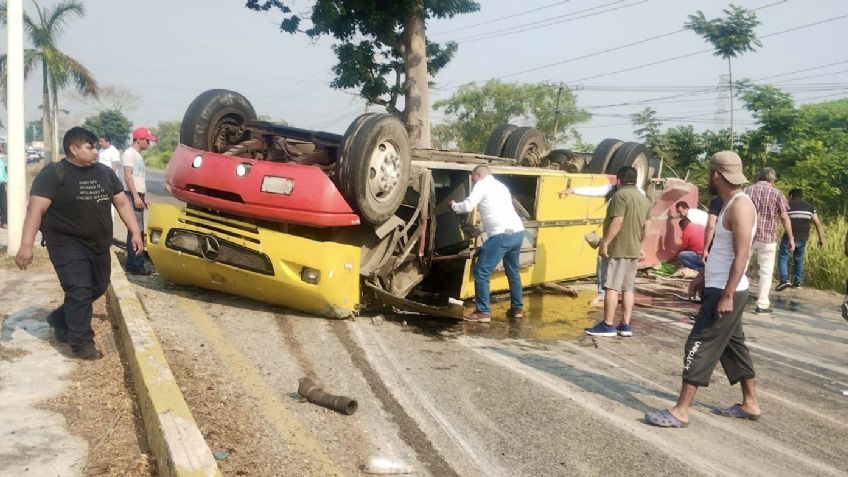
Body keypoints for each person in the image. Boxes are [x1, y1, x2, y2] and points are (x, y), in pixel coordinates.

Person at [645, 150, 759, 428]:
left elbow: (742, 255)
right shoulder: (729, 203)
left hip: (725, 291)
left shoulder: (740, 206)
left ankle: (681, 411)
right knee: (734, 347)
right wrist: (702, 275)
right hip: (718, 284)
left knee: (699, 343)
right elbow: (721, 251)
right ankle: (750, 403)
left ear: (716, 175)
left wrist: (727, 294)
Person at [15, 127, 143, 360]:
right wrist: (26, 245)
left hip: (98, 244)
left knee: (97, 287)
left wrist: (136, 232)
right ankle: (81, 342)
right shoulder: (54, 174)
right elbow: (36, 209)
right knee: (79, 290)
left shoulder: (104, 173)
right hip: (66, 244)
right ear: (73, 149)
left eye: (95, 146)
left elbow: (122, 203)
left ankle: (59, 318)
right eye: (89, 147)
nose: (95, 151)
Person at [451, 165, 525, 323]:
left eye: (472, 179)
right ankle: (517, 309)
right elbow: (498, 212)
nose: (472, 182)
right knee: (513, 271)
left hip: (502, 235)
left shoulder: (482, 185)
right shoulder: (501, 186)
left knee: (481, 271)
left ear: (478, 175)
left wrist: (453, 206)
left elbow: (468, 206)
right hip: (517, 232)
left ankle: (483, 311)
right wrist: (482, 230)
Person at [584, 166, 651, 338]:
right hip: (634, 249)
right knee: (628, 288)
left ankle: (607, 325)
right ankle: (626, 325)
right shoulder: (644, 199)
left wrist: (605, 243)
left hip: (619, 248)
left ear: (619, 180)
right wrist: (640, 245)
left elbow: (618, 220)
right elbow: (647, 226)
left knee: (612, 286)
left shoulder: (620, 196)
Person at [745, 167, 794, 314]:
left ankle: (734, 298)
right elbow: (784, 217)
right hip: (767, 238)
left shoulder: (747, 191)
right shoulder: (777, 193)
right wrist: (791, 237)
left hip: (747, 235)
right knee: (766, 272)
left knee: (740, 267)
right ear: (773, 180)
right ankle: (762, 305)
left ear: (758, 177)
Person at [122, 127, 157, 275]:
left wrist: (144, 197)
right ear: (139, 140)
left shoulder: (138, 155)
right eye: (147, 140)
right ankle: (135, 265)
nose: (149, 143)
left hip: (137, 195)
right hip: (131, 195)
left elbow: (139, 178)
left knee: (138, 229)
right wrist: (136, 196)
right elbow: (127, 176)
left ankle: (136, 262)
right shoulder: (129, 154)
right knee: (136, 230)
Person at [776, 189, 825, 290]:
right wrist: (821, 239)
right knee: (798, 259)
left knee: (783, 257)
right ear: (801, 196)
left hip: (789, 237)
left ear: (790, 196)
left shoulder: (787, 204)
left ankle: (784, 280)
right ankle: (797, 282)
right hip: (803, 237)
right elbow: (818, 224)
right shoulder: (810, 207)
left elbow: (781, 219)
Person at [701, 196, 723, 263]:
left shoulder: (717, 202)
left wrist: (705, 249)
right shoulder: (744, 200)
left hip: (717, 243)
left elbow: (711, 226)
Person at [0, 144, 7, 229]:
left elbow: (3, 173)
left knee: (4, 204)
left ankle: (4, 222)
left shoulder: (2, 160)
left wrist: (7, 181)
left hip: (1, 184)